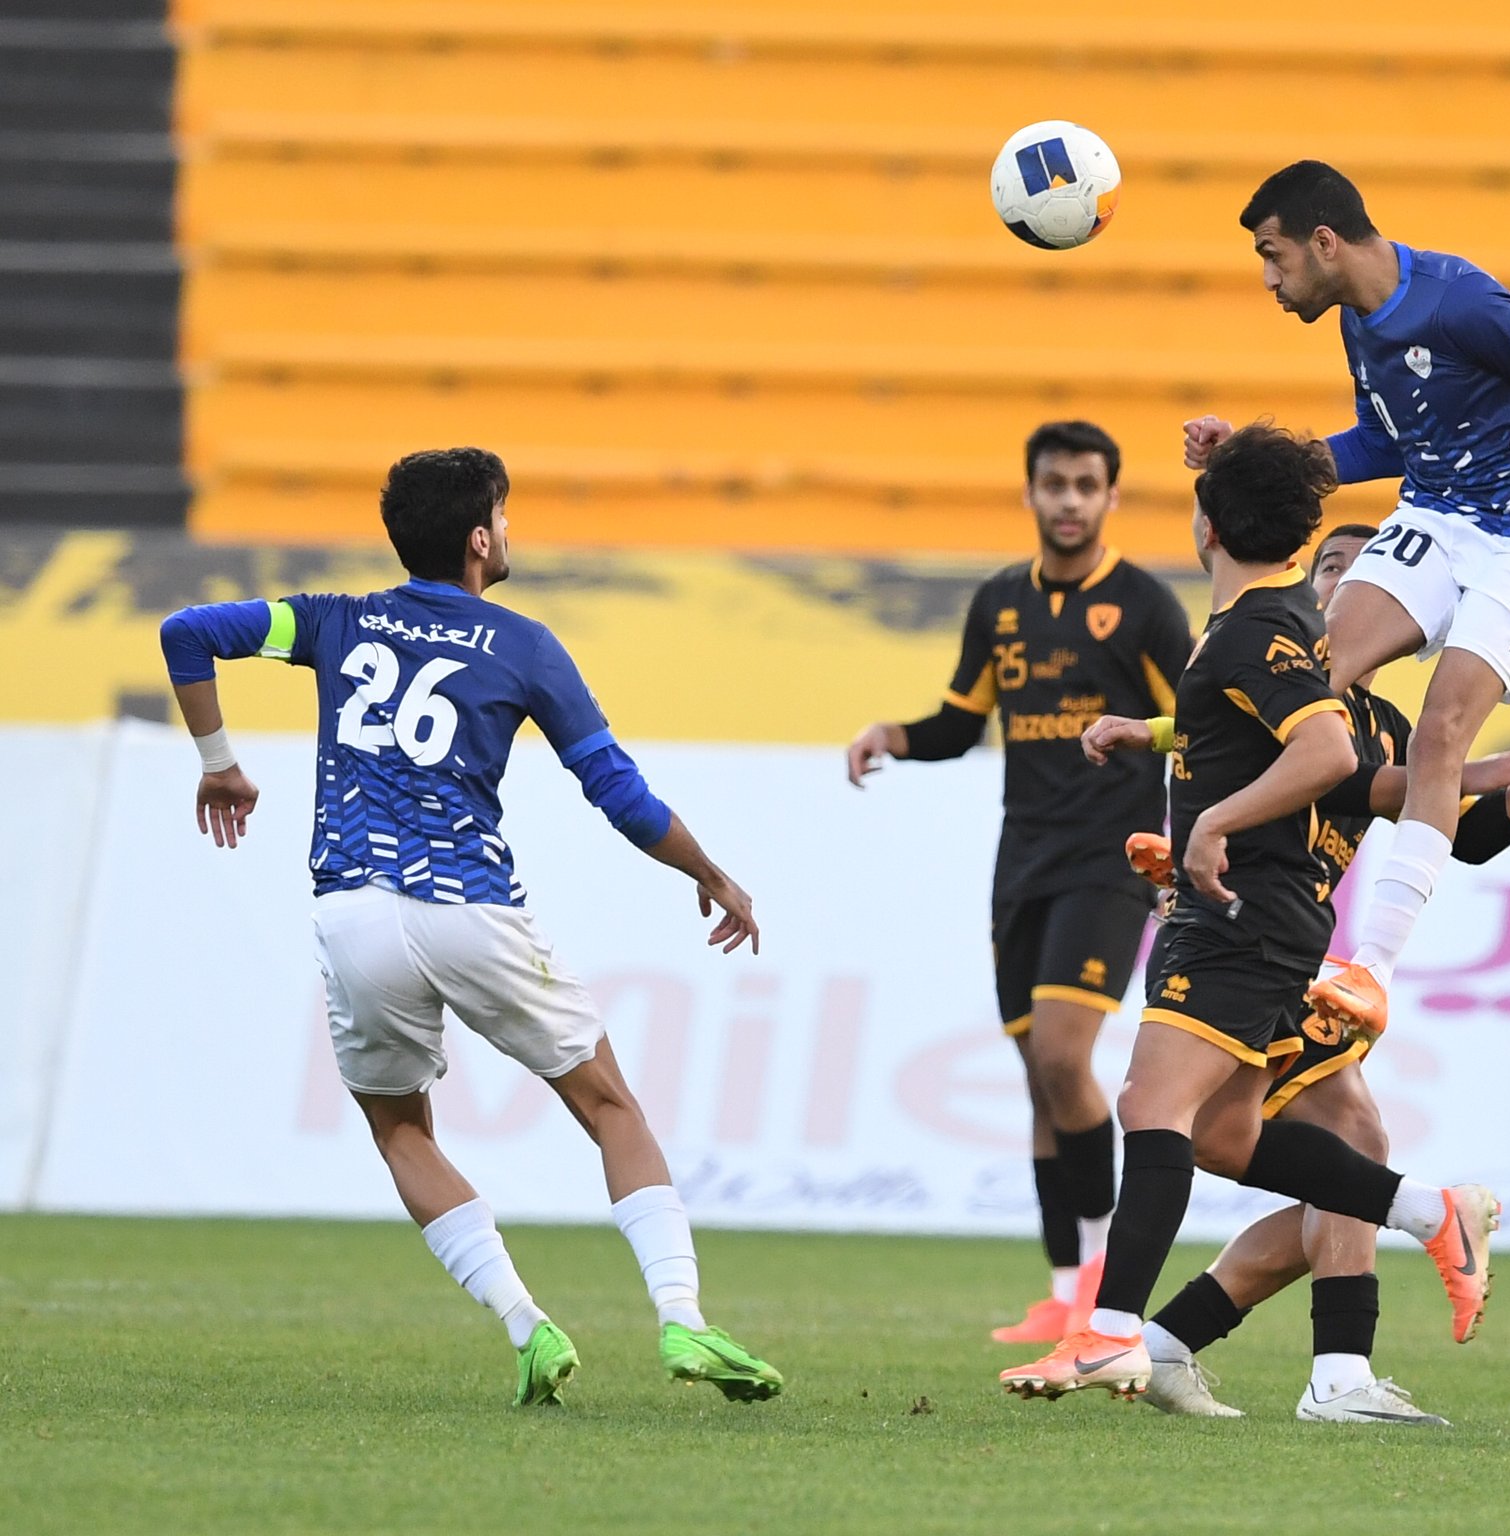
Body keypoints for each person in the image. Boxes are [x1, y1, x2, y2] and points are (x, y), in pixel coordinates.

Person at [157, 446, 782, 1408]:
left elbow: (187, 633)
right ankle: (682, 1319)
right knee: (610, 1108)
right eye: (505, 513)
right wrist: (709, 872)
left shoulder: (330, 621)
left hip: (355, 915)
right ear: (481, 539)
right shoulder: (524, 646)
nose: (511, 529)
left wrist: (219, 764)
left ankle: (527, 1328)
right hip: (470, 907)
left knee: (401, 1130)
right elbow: (617, 792)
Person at [998, 425, 1500, 1406]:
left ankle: (1110, 1335)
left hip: (1240, 909)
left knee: (1152, 1108)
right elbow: (1289, 747)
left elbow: (1325, 755)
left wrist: (1211, 825)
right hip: (1255, 911)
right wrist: (1167, 753)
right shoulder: (1269, 624)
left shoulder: (1249, 631)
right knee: (1224, 1137)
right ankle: (1432, 1212)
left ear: (1206, 527)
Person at [1092, 523, 1510, 1423]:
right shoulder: (1289, 694)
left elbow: (1464, 837)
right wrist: (1464, 768)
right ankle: (1333, 1369)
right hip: (1244, 943)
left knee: (1339, 1162)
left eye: (1367, 571)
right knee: (1335, 1148)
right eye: (1334, 568)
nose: (1348, 587)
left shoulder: (1383, 727)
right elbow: (1341, 775)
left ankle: (1187, 1342)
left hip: (1289, 955)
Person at [1180, 160, 1510, 1048]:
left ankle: (1371, 970)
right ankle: (1204, 843)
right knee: (1305, 675)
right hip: (1441, 511)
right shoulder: (1357, 321)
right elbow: (1387, 440)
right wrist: (1249, 460)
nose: (1269, 278)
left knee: (1439, 729)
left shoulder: (1461, 303)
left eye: (1273, 255)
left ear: (1323, 241)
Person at [845, 420, 1193, 1341]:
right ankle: (1064, 1287)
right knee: (1040, 1078)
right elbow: (961, 724)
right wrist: (891, 736)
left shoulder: (1146, 606)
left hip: (1111, 863)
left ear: (1111, 496)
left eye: (1086, 485)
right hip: (1023, 864)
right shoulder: (1000, 603)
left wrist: (1187, 847)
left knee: (1063, 1060)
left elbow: (1201, 726)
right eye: (1054, 484)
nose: (1069, 501)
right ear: (1031, 491)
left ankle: (1105, 1278)